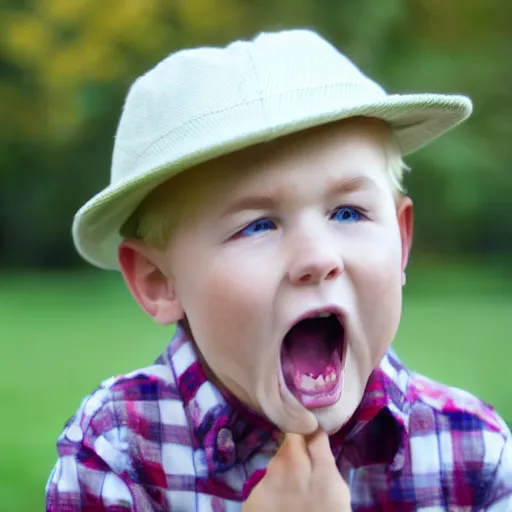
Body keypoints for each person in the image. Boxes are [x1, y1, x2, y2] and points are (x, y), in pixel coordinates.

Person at [45, 28, 512, 511]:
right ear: (159, 280)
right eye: (258, 225)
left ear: (401, 242)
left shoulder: (474, 454)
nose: (317, 258)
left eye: (348, 212)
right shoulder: (118, 452)